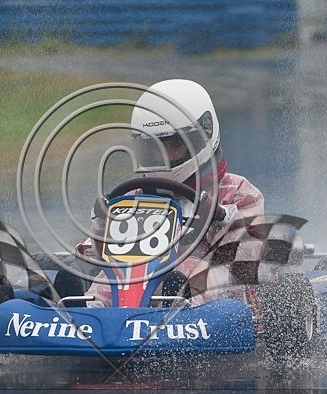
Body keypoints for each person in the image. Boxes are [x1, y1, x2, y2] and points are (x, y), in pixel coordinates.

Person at [78, 79, 264, 307]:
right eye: (153, 148)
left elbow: (249, 253)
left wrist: (220, 219)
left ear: (204, 135)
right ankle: (87, 316)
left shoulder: (237, 191)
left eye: (172, 146)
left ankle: (179, 313)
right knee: (109, 277)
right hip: (143, 287)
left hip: (212, 290)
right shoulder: (135, 196)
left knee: (192, 275)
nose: (160, 158)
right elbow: (96, 257)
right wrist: (103, 224)